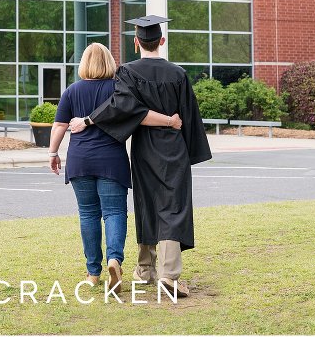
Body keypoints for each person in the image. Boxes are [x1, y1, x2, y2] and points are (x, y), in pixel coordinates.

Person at [69, 16, 211, 298]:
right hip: (175, 148)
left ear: (136, 42)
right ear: (162, 41)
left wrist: (87, 120)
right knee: (173, 205)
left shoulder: (127, 72)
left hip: (145, 148)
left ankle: (146, 268)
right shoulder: (179, 74)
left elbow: (121, 108)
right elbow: (190, 117)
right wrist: (184, 139)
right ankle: (168, 275)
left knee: (147, 202)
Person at [48, 42, 182, 295]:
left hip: (80, 160)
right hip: (111, 160)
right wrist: (169, 121)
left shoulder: (72, 91)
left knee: (88, 214)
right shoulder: (118, 88)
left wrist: (53, 153)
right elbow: (141, 115)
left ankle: (92, 273)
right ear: (110, 63)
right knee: (114, 213)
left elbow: (59, 126)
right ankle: (114, 261)